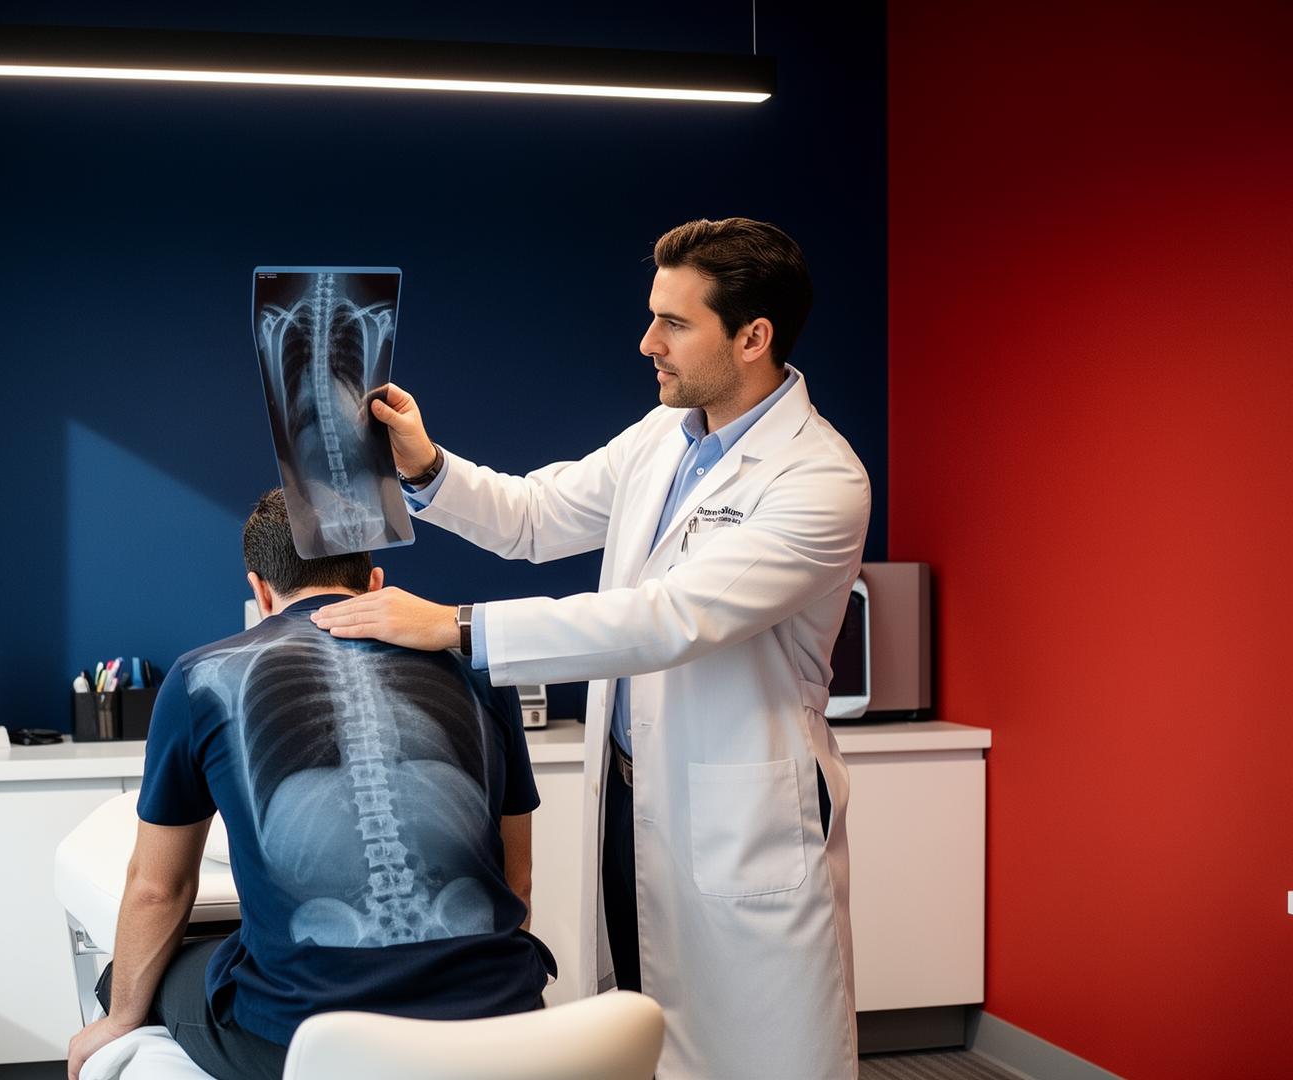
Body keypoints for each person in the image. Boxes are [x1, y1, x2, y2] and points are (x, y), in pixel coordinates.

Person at [309, 217, 871, 1078]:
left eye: (674, 324)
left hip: (737, 814)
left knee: (760, 1051)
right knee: (638, 1026)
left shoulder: (821, 480)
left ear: (753, 337)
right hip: (630, 802)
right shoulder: (662, 437)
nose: (648, 342)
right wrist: (425, 467)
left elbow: (666, 620)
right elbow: (538, 515)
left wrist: (459, 628)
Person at [67, 489, 553, 1080]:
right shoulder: (480, 669)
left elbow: (157, 890)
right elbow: (516, 878)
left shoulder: (202, 677)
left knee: (131, 973)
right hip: (501, 1024)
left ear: (260, 589)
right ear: (376, 581)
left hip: (309, 1044)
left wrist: (119, 1019)